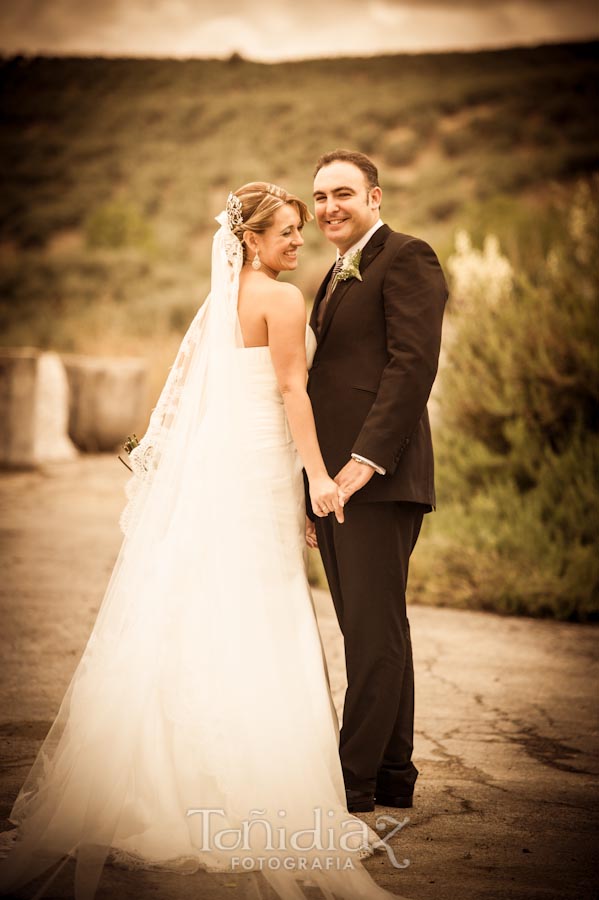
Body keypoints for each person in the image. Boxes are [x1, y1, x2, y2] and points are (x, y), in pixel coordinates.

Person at [0, 183, 406, 900]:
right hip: (259, 471)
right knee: (260, 611)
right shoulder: (279, 301)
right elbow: (290, 392)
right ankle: (257, 786)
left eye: (298, 231)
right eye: (284, 231)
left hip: (231, 469)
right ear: (248, 238)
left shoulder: (225, 301)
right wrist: (316, 477)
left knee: (207, 606)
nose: (296, 242)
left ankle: (167, 781)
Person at [308, 150, 448, 814]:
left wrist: (363, 461)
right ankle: (392, 776)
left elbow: (412, 364)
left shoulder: (408, 256)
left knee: (371, 633)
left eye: (342, 192)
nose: (328, 206)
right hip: (333, 483)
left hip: (376, 480)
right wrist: (311, 482)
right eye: (318, 197)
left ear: (375, 197)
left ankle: (352, 785)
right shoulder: (332, 274)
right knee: (378, 628)